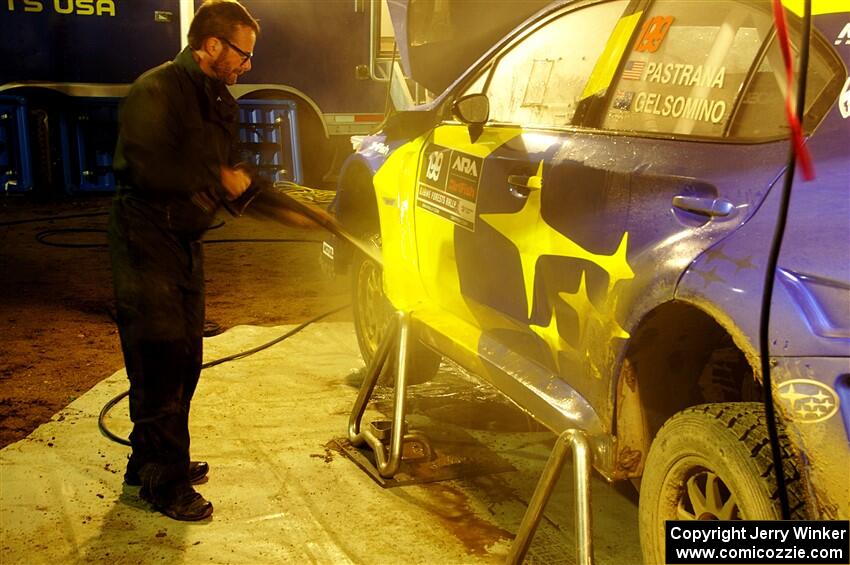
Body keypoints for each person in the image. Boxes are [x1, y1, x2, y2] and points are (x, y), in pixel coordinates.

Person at [108, 0, 321, 521]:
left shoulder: (217, 97)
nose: (247, 65)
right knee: (159, 357)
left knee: (185, 355)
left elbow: (232, 172)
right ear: (211, 46)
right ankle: (164, 481)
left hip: (184, 240)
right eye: (243, 55)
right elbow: (147, 163)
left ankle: (148, 461)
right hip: (146, 238)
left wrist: (288, 211)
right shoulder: (155, 89)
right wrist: (213, 179)